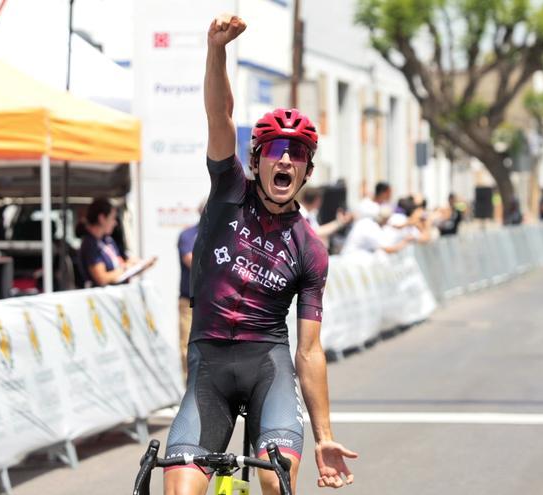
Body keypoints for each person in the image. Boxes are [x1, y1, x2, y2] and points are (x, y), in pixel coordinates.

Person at [164, 15, 357, 495]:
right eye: (275, 149)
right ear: (257, 160)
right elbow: (220, 115)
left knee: (274, 483)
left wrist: (325, 436)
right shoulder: (230, 190)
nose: (285, 159)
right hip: (207, 366)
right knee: (178, 490)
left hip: (266, 366)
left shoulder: (310, 248)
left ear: (308, 168)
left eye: (296, 151)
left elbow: (309, 349)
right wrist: (216, 51)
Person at [77, 197, 153, 287]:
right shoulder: (90, 244)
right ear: (102, 218)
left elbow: (119, 265)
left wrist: (136, 266)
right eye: (112, 218)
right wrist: (126, 267)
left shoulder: (107, 240)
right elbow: (101, 278)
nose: (115, 223)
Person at [177, 213, 199, 381]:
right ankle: (189, 384)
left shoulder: (226, 233)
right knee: (187, 344)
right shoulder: (188, 235)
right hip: (190, 300)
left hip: (217, 301)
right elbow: (190, 260)